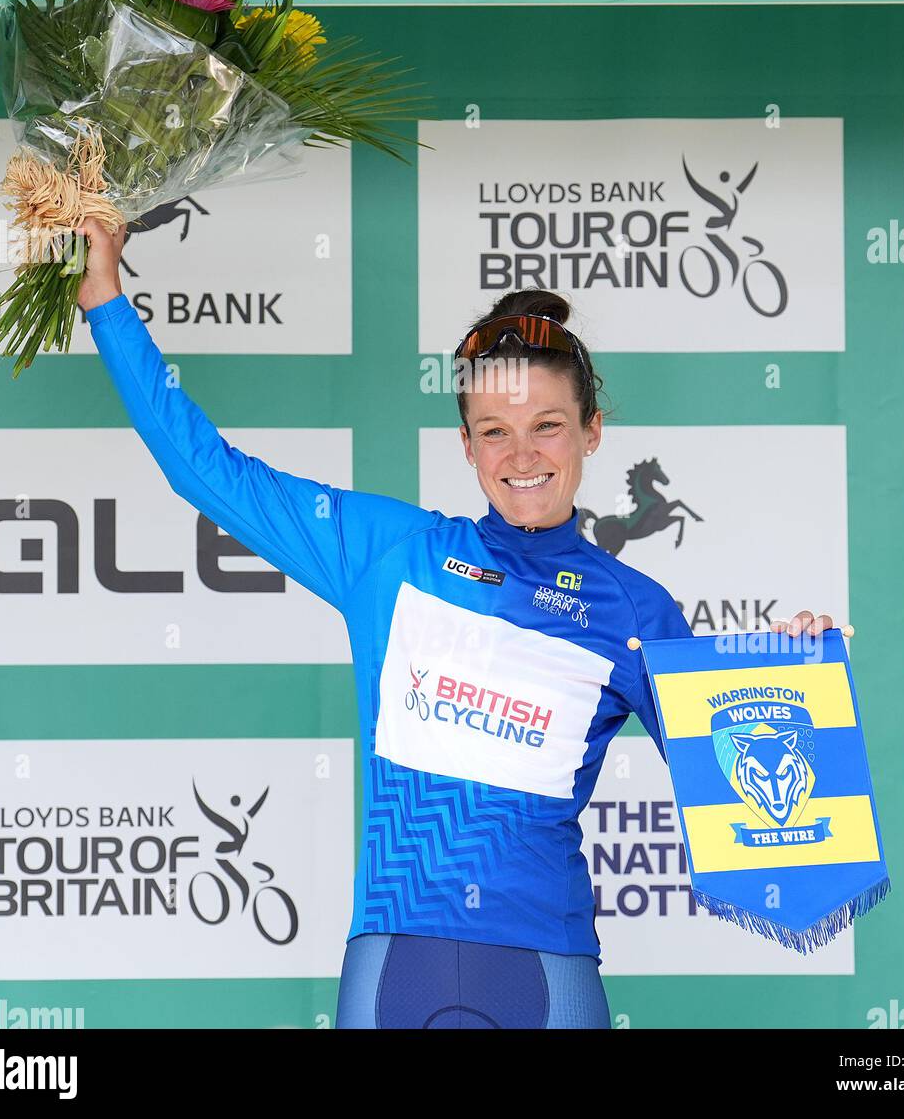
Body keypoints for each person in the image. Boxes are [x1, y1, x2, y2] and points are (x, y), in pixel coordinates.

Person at [76, 219, 833, 1030]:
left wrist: (782, 682)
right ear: (466, 447)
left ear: (592, 432)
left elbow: (738, 784)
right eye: (494, 432)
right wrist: (106, 302)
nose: (522, 455)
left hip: (549, 971)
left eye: (546, 425)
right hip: (397, 965)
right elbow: (204, 468)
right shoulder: (390, 555)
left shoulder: (636, 608)